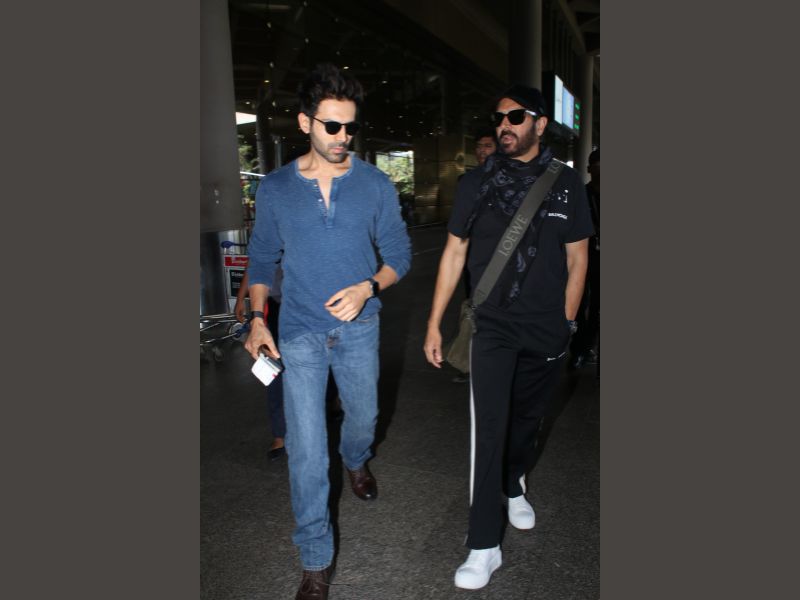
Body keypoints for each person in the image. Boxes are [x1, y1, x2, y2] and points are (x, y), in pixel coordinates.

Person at [244, 62, 411, 600]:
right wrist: (256, 319)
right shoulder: (276, 189)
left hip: (360, 328)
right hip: (299, 332)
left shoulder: (375, 184)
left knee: (362, 420)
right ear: (305, 123)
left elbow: (400, 255)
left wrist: (368, 287)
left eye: (350, 127)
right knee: (307, 450)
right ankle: (315, 561)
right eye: (332, 126)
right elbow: (262, 258)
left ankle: (357, 458)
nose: (343, 137)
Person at [423, 84, 593, 590]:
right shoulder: (476, 183)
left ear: (540, 124)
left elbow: (578, 258)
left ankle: (515, 479)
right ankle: (483, 544)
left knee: (527, 421)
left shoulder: (566, 183)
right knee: (488, 429)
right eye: (499, 118)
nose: (505, 125)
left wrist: (566, 323)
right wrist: (434, 322)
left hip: (546, 326)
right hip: (492, 325)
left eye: (516, 117)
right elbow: (455, 253)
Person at [448, 128, 498, 384]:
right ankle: (469, 363)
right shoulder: (467, 182)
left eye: (488, 146)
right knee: (473, 310)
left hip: (500, 261)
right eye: (479, 146)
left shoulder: (509, 181)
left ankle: (490, 365)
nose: (481, 151)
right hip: (472, 261)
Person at [234, 269, 286, 461]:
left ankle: (331, 401)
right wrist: (241, 299)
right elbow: (255, 263)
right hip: (273, 305)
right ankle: (280, 434)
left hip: (306, 304)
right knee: (274, 370)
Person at [569, 148, 600, 372]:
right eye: (597, 166)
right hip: (583, 256)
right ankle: (578, 349)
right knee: (580, 303)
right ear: (589, 169)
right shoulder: (582, 195)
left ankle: (588, 346)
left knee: (598, 306)